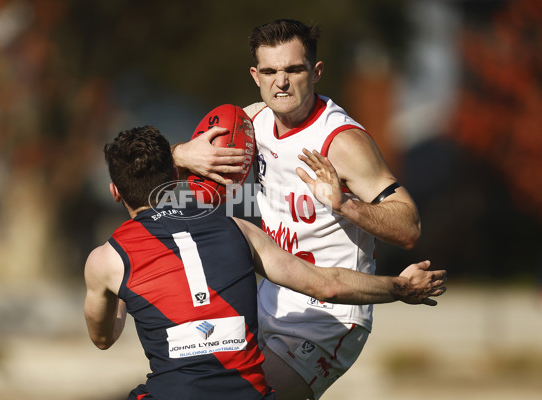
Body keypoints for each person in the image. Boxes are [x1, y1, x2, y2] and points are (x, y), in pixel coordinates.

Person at [85, 126, 445, 399]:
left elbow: (103, 338)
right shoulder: (238, 229)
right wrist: (402, 287)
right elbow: (327, 285)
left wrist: (120, 290)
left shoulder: (107, 259)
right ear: (174, 176)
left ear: (115, 192)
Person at [171, 19, 424, 400]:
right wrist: (182, 154)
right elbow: (162, 170)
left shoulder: (341, 142)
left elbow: (409, 227)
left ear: (316, 72)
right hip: (269, 299)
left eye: (293, 69)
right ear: (256, 75)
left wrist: (344, 204)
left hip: (329, 315)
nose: (281, 82)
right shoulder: (251, 122)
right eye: (271, 71)